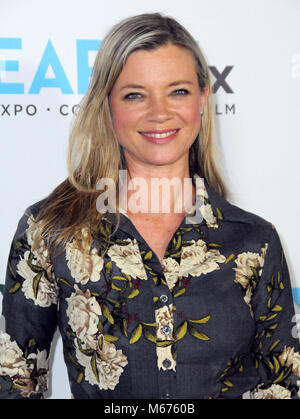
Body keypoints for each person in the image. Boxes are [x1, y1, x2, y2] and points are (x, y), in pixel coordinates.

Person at [0, 12, 300, 400]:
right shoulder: (51, 230)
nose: (160, 113)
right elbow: (14, 382)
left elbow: (286, 385)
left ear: (203, 98)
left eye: (178, 91)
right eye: (135, 95)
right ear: (106, 105)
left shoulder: (255, 241)